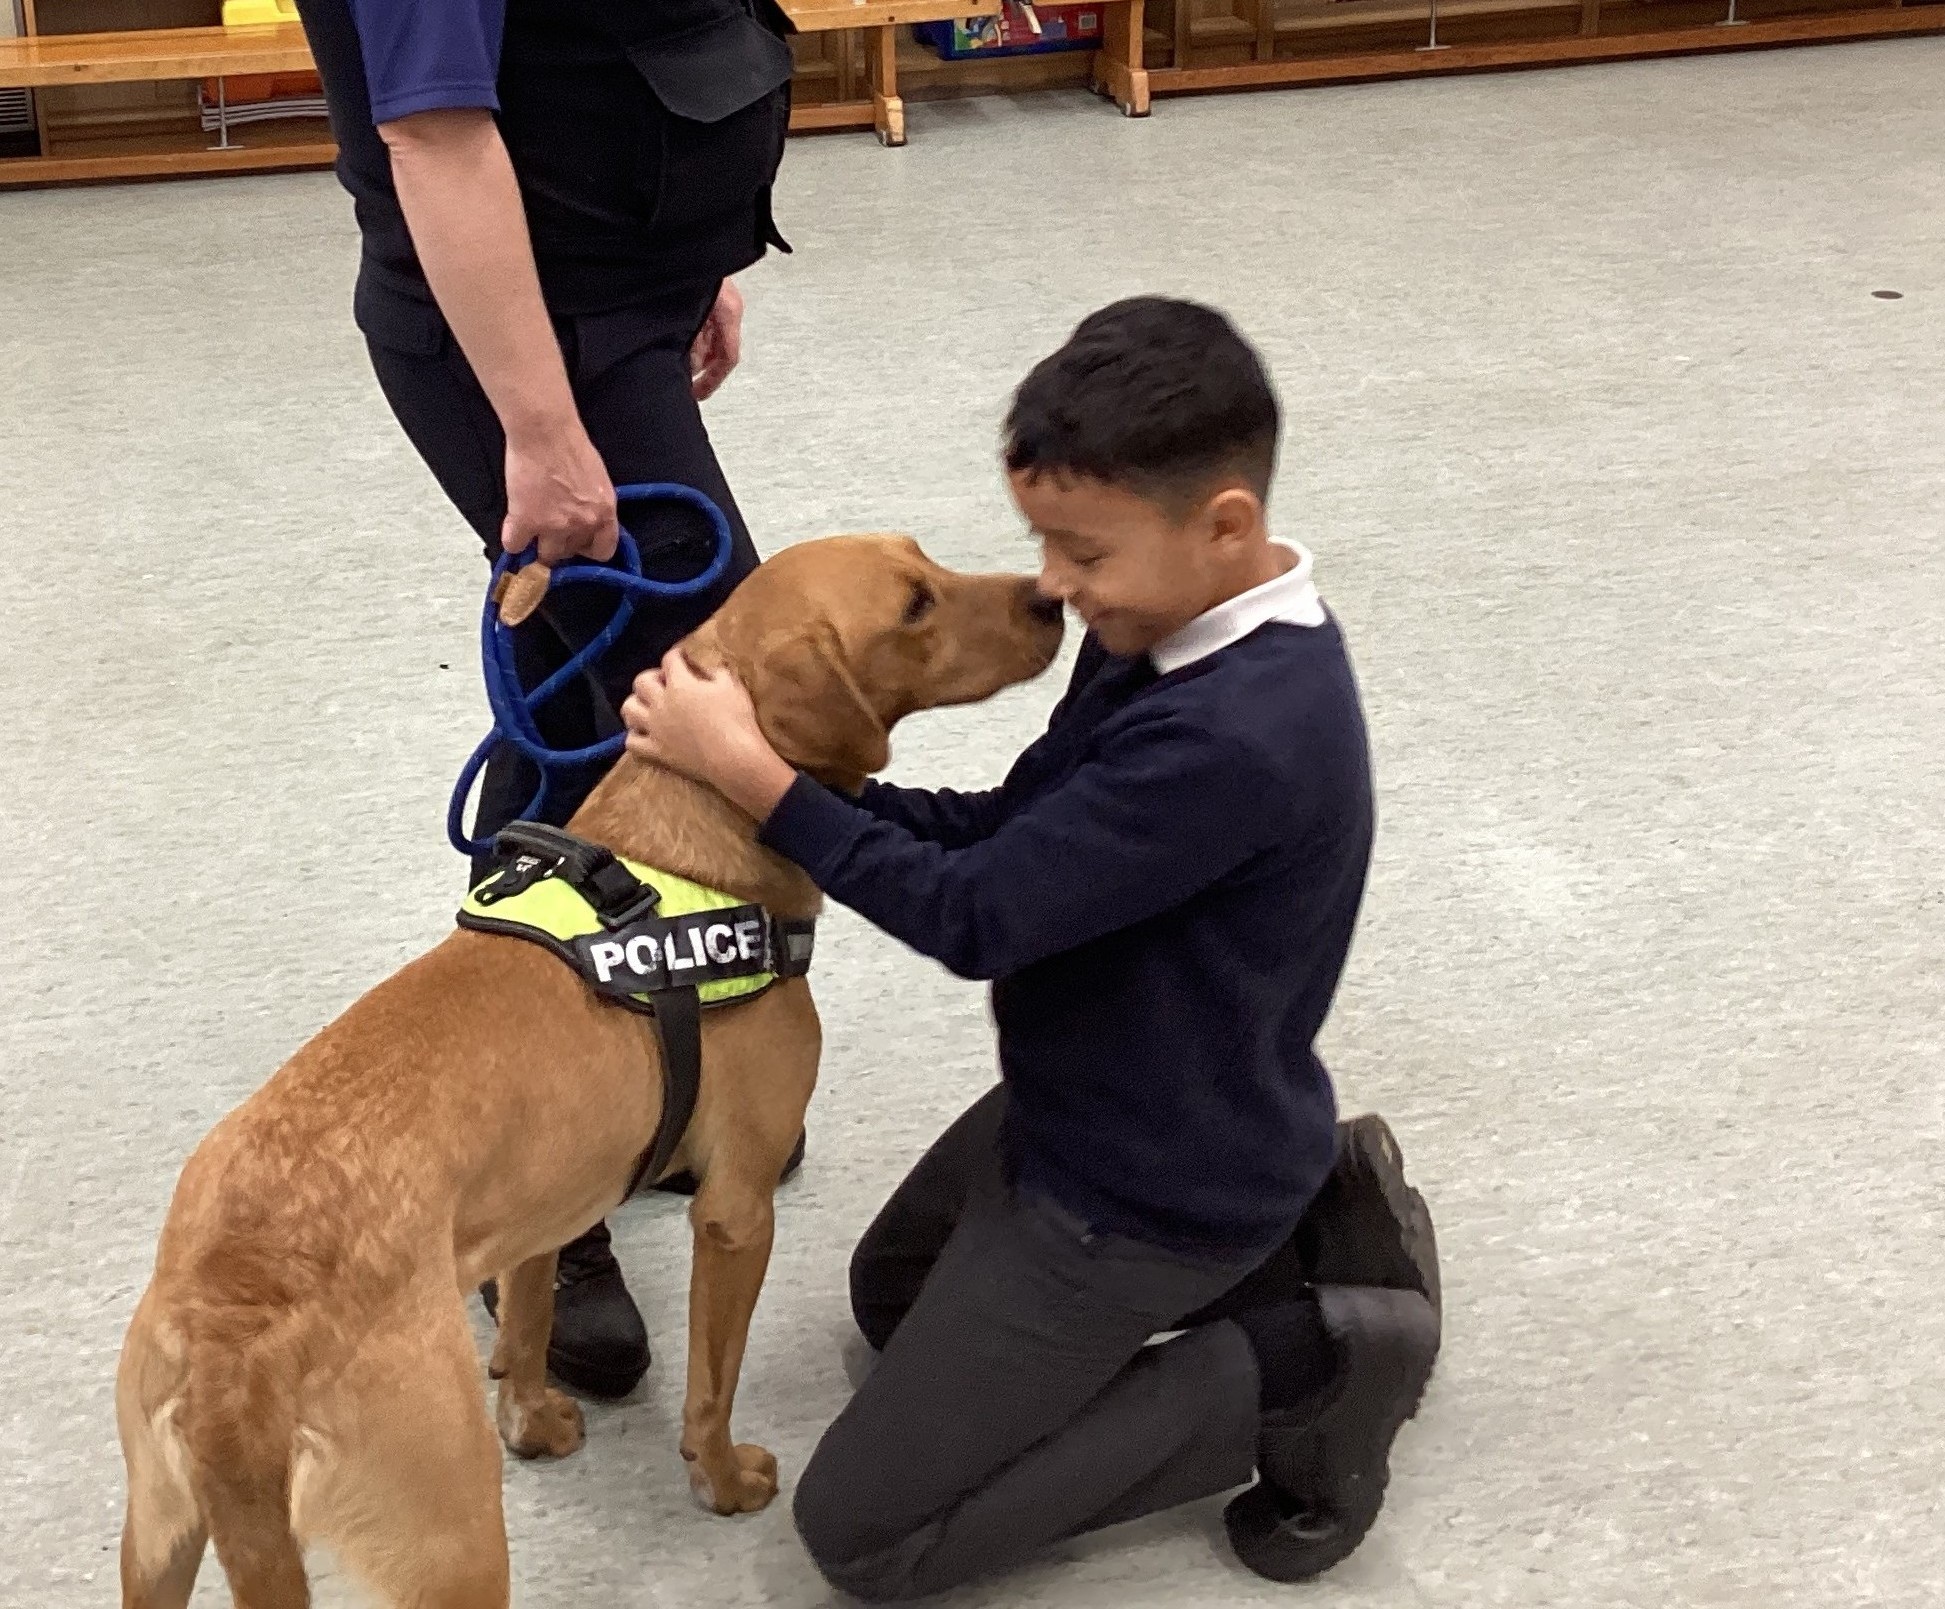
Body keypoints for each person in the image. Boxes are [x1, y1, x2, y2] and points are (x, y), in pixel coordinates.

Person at [620, 296, 1442, 1596]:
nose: (1051, 585)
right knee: (888, 1298)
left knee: (864, 1535)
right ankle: (1320, 1212)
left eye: (1080, 551)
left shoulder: (1236, 734)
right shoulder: (1162, 633)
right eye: (1042, 542)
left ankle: (1315, 1360)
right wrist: (767, 774)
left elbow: (979, 912)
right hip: (1085, 1099)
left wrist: (769, 791)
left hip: (1144, 1183)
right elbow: (1013, 825)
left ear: (1223, 524)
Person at [292, 0, 803, 1399]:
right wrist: (540, 428)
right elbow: (436, 129)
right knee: (647, 713)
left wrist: (694, 258)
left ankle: (647, 1080)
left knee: (620, 706)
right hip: (530, 329)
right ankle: (529, 1196)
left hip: (611, 294)